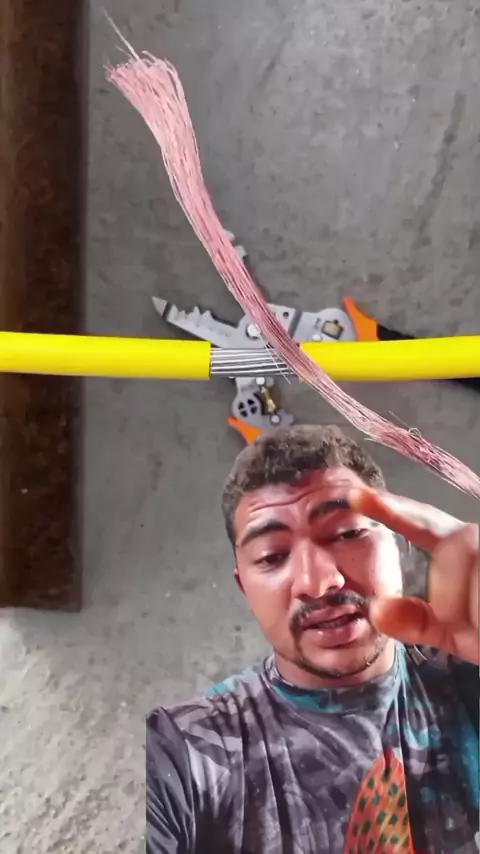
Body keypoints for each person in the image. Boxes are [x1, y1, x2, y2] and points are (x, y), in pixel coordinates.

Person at [146, 425, 479, 854]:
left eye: (347, 534)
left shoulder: (468, 675)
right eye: (272, 556)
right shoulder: (189, 746)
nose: (318, 582)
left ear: (400, 545)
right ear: (244, 588)